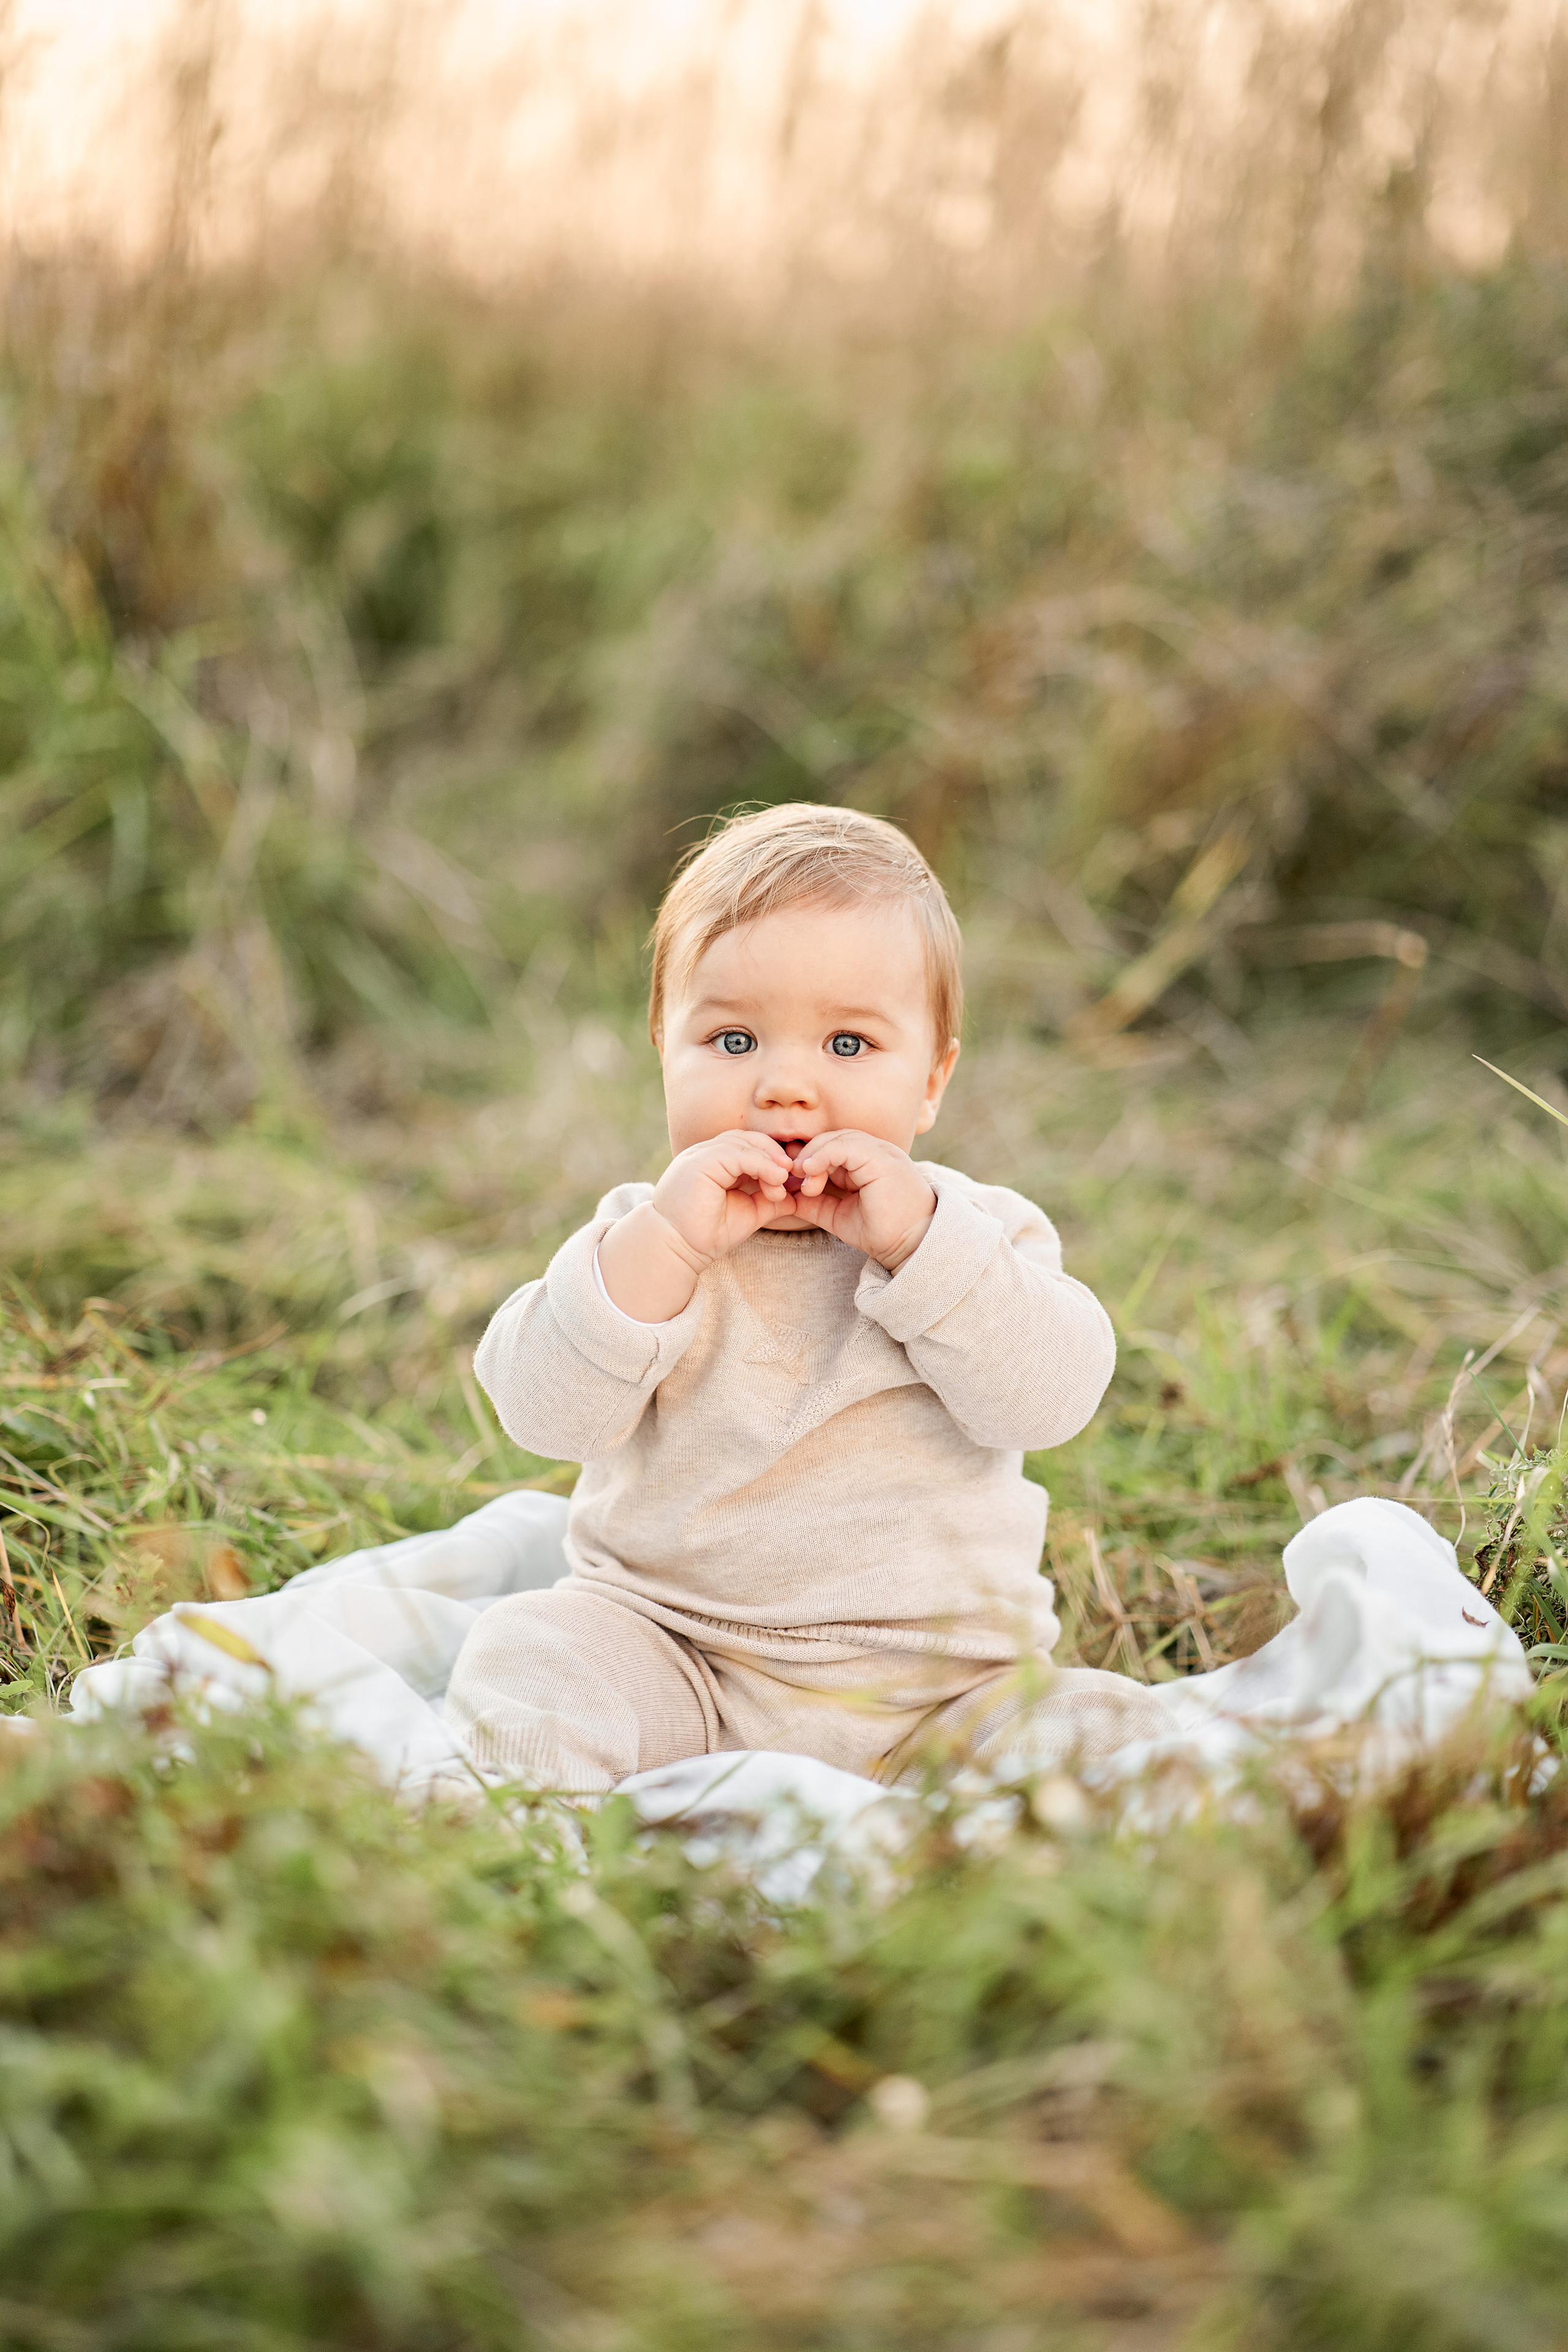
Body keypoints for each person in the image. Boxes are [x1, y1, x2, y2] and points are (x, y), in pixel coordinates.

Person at [445, 802, 1170, 1790]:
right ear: (666, 1048)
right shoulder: (644, 1236)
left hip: (940, 1695)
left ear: (931, 1081)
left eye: (847, 1046)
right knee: (530, 1652)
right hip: (680, 1659)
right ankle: (532, 1851)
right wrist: (657, 1255)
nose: (785, 1087)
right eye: (734, 1042)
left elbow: (1052, 1400)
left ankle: (1031, 1872)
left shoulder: (976, 1237)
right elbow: (540, 1417)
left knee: (1104, 1733)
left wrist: (923, 1247)